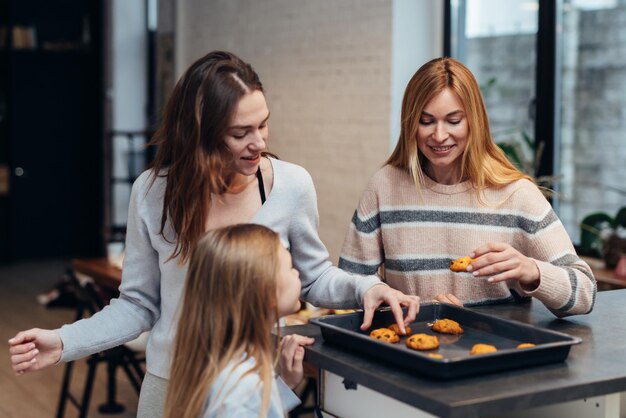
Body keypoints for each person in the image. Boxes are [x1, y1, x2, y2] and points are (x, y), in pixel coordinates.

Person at [8, 51, 419, 417]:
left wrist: (366, 288)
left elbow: (313, 278)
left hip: (250, 378)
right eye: (240, 133)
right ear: (199, 134)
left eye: (263, 125)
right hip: (171, 384)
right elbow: (138, 303)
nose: (258, 143)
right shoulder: (152, 193)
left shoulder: (292, 185)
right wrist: (65, 341)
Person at [339, 57, 596, 317]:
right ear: (410, 124)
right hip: (406, 353)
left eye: (453, 121)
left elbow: (584, 292)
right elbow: (348, 285)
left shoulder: (517, 195)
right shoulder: (384, 187)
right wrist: (402, 304)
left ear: (474, 121)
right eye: (426, 121)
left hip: (496, 353)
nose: (439, 135)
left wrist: (532, 271)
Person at [164, 224, 308, 418]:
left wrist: (286, 383)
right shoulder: (242, 389)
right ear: (267, 292)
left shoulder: (221, 366)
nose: (297, 273)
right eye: (290, 268)